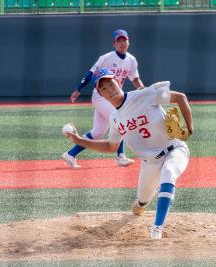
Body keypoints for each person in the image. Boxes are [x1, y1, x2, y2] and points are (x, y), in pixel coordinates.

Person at [64, 68, 193, 239]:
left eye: (111, 84)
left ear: (118, 82)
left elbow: (180, 97)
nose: (109, 89)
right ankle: (141, 204)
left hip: (176, 149)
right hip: (150, 162)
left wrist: (190, 127)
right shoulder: (115, 118)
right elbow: (111, 146)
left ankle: (157, 228)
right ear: (101, 96)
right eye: (103, 89)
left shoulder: (144, 94)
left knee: (169, 173)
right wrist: (79, 140)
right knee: (143, 198)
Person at [62, 29, 145, 169]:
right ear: (113, 44)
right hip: (101, 97)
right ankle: (120, 156)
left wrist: (144, 92)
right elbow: (90, 73)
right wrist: (78, 89)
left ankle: (70, 154)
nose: (122, 43)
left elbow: (135, 79)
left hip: (115, 97)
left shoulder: (131, 60)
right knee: (121, 118)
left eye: (124, 40)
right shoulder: (106, 57)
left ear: (128, 42)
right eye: (118, 41)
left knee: (98, 132)